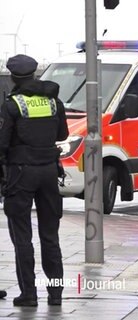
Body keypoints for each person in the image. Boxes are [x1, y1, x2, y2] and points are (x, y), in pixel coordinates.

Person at [0, 54, 69, 306]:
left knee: (22, 236)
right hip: (50, 171)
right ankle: (56, 294)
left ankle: (29, 294)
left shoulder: (12, 105)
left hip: (21, 174)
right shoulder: (53, 101)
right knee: (50, 236)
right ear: (34, 75)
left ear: (14, 77)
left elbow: (2, 144)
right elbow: (62, 133)